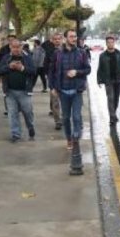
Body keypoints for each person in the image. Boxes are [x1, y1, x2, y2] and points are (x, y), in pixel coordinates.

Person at [49, 29, 91, 176]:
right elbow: (52, 71)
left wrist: (77, 72)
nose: (74, 38)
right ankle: (69, 139)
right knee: (66, 118)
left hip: (76, 91)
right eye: (71, 36)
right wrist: (53, 87)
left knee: (77, 117)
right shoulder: (57, 54)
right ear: (65, 38)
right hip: (63, 91)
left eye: (75, 36)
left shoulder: (81, 53)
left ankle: (76, 138)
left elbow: (88, 69)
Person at [0, 39, 36, 142]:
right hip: (10, 91)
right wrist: (9, 66)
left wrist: (22, 68)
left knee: (28, 112)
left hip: (24, 91)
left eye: (18, 47)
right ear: (10, 47)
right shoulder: (6, 58)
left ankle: (30, 127)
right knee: (12, 113)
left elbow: (33, 71)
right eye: (14, 47)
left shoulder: (27, 57)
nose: (16, 49)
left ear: (21, 47)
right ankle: (16, 134)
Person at [97, 36, 120, 126]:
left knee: (116, 99)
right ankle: (112, 117)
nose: (110, 44)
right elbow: (100, 68)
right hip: (108, 80)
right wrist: (99, 80)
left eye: (112, 42)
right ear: (106, 43)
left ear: (114, 43)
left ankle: (114, 113)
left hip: (118, 79)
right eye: (108, 42)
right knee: (110, 98)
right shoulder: (102, 56)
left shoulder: (119, 54)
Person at [45, 33, 63, 130]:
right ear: (52, 40)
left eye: (59, 39)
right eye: (55, 39)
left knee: (64, 102)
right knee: (55, 102)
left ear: (62, 40)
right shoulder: (49, 51)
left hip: (65, 81)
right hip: (54, 80)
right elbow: (46, 65)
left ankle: (64, 118)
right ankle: (58, 121)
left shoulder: (65, 51)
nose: (57, 41)